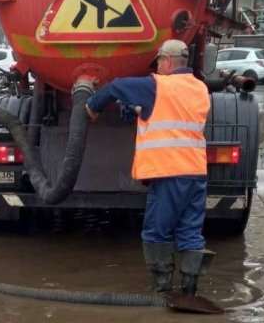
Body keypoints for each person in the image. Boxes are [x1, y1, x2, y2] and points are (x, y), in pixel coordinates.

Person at [85, 39, 214, 296]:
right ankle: (190, 293)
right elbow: (172, 114)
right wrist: (138, 110)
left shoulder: (158, 85)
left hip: (168, 173)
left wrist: (92, 106)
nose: (156, 69)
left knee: (156, 233)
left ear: (167, 61)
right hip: (195, 173)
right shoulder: (199, 88)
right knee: (190, 234)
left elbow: (117, 85)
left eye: (158, 63)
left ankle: (162, 293)